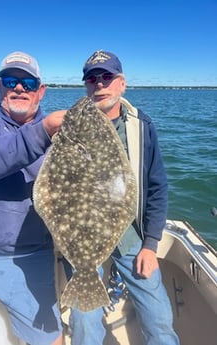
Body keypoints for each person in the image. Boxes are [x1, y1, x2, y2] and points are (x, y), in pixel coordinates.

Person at [68, 50, 180, 345]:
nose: (100, 84)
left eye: (107, 77)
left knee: (159, 320)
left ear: (122, 83)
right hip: (85, 236)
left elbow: (157, 187)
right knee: (83, 319)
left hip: (131, 236)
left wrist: (150, 245)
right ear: (86, 86)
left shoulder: (142, 126)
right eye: (92, 79)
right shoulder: (69, 127)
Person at [0, 51, 66, 345]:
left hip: (30, 254)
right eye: (11, 80)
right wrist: (41, 133)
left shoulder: (62, 134)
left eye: (28, 83)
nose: (19, 88)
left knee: (50, 339)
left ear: (40, 91)